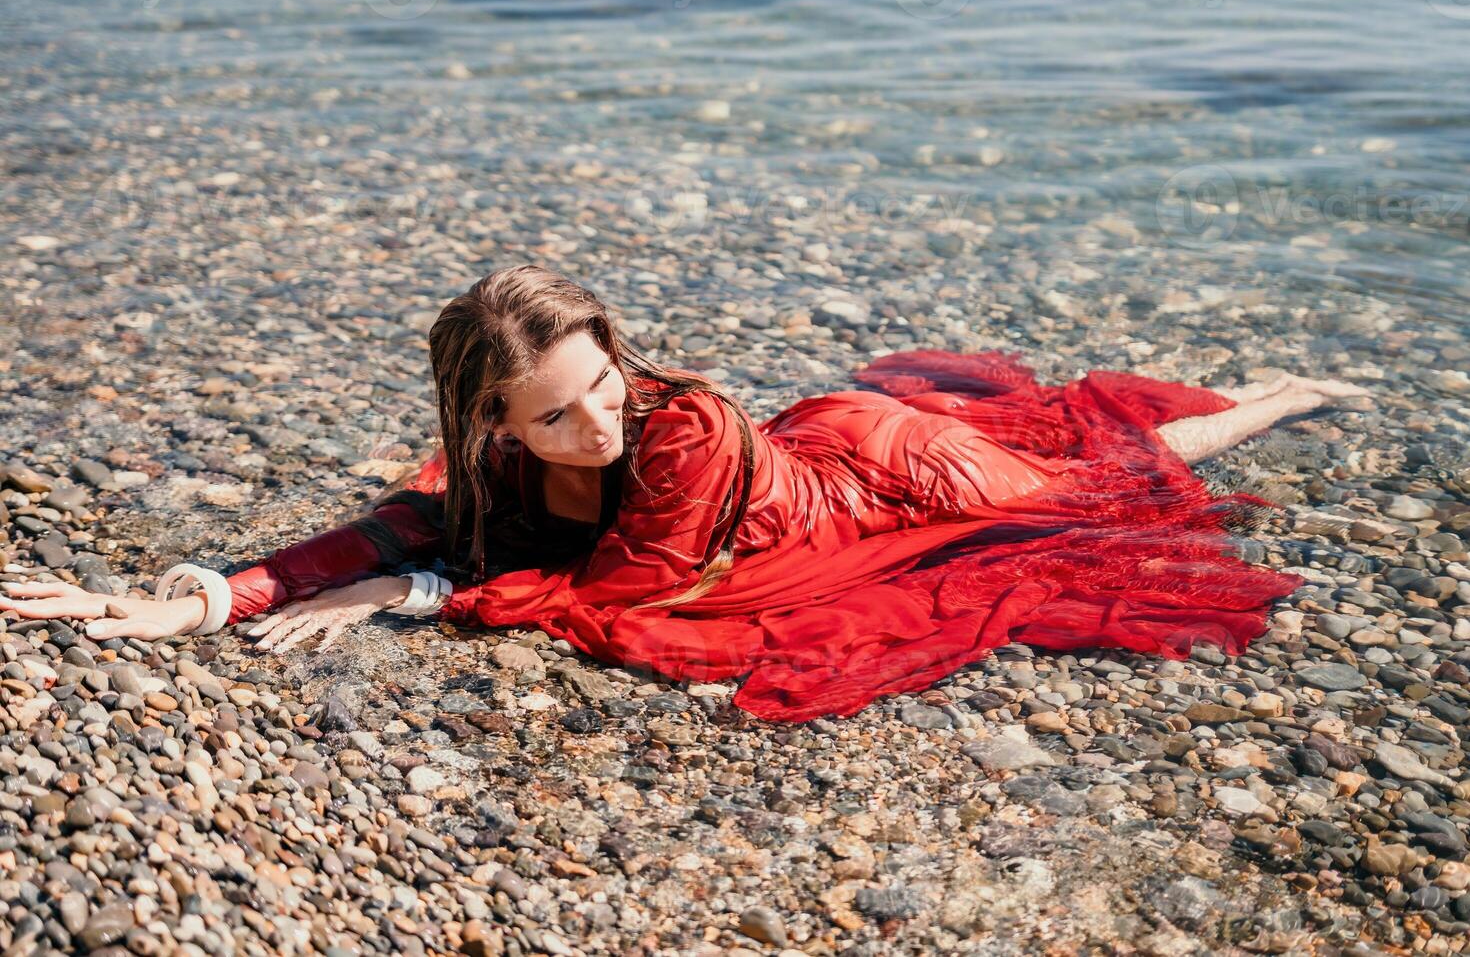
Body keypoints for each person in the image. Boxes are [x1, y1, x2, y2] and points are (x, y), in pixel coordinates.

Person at [0, 265, 1372, 722]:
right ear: (493, 418)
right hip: (818, 476)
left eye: (604, 387)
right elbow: (397, 531)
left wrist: (407, 595)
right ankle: (1240, 396)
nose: (593, 425)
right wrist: (191, 601)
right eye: (554, 416)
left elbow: (626, 592)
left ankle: (1266, 401)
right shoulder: (495, 462)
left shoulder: (687, 429)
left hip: (876, 473)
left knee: (1086, 477)